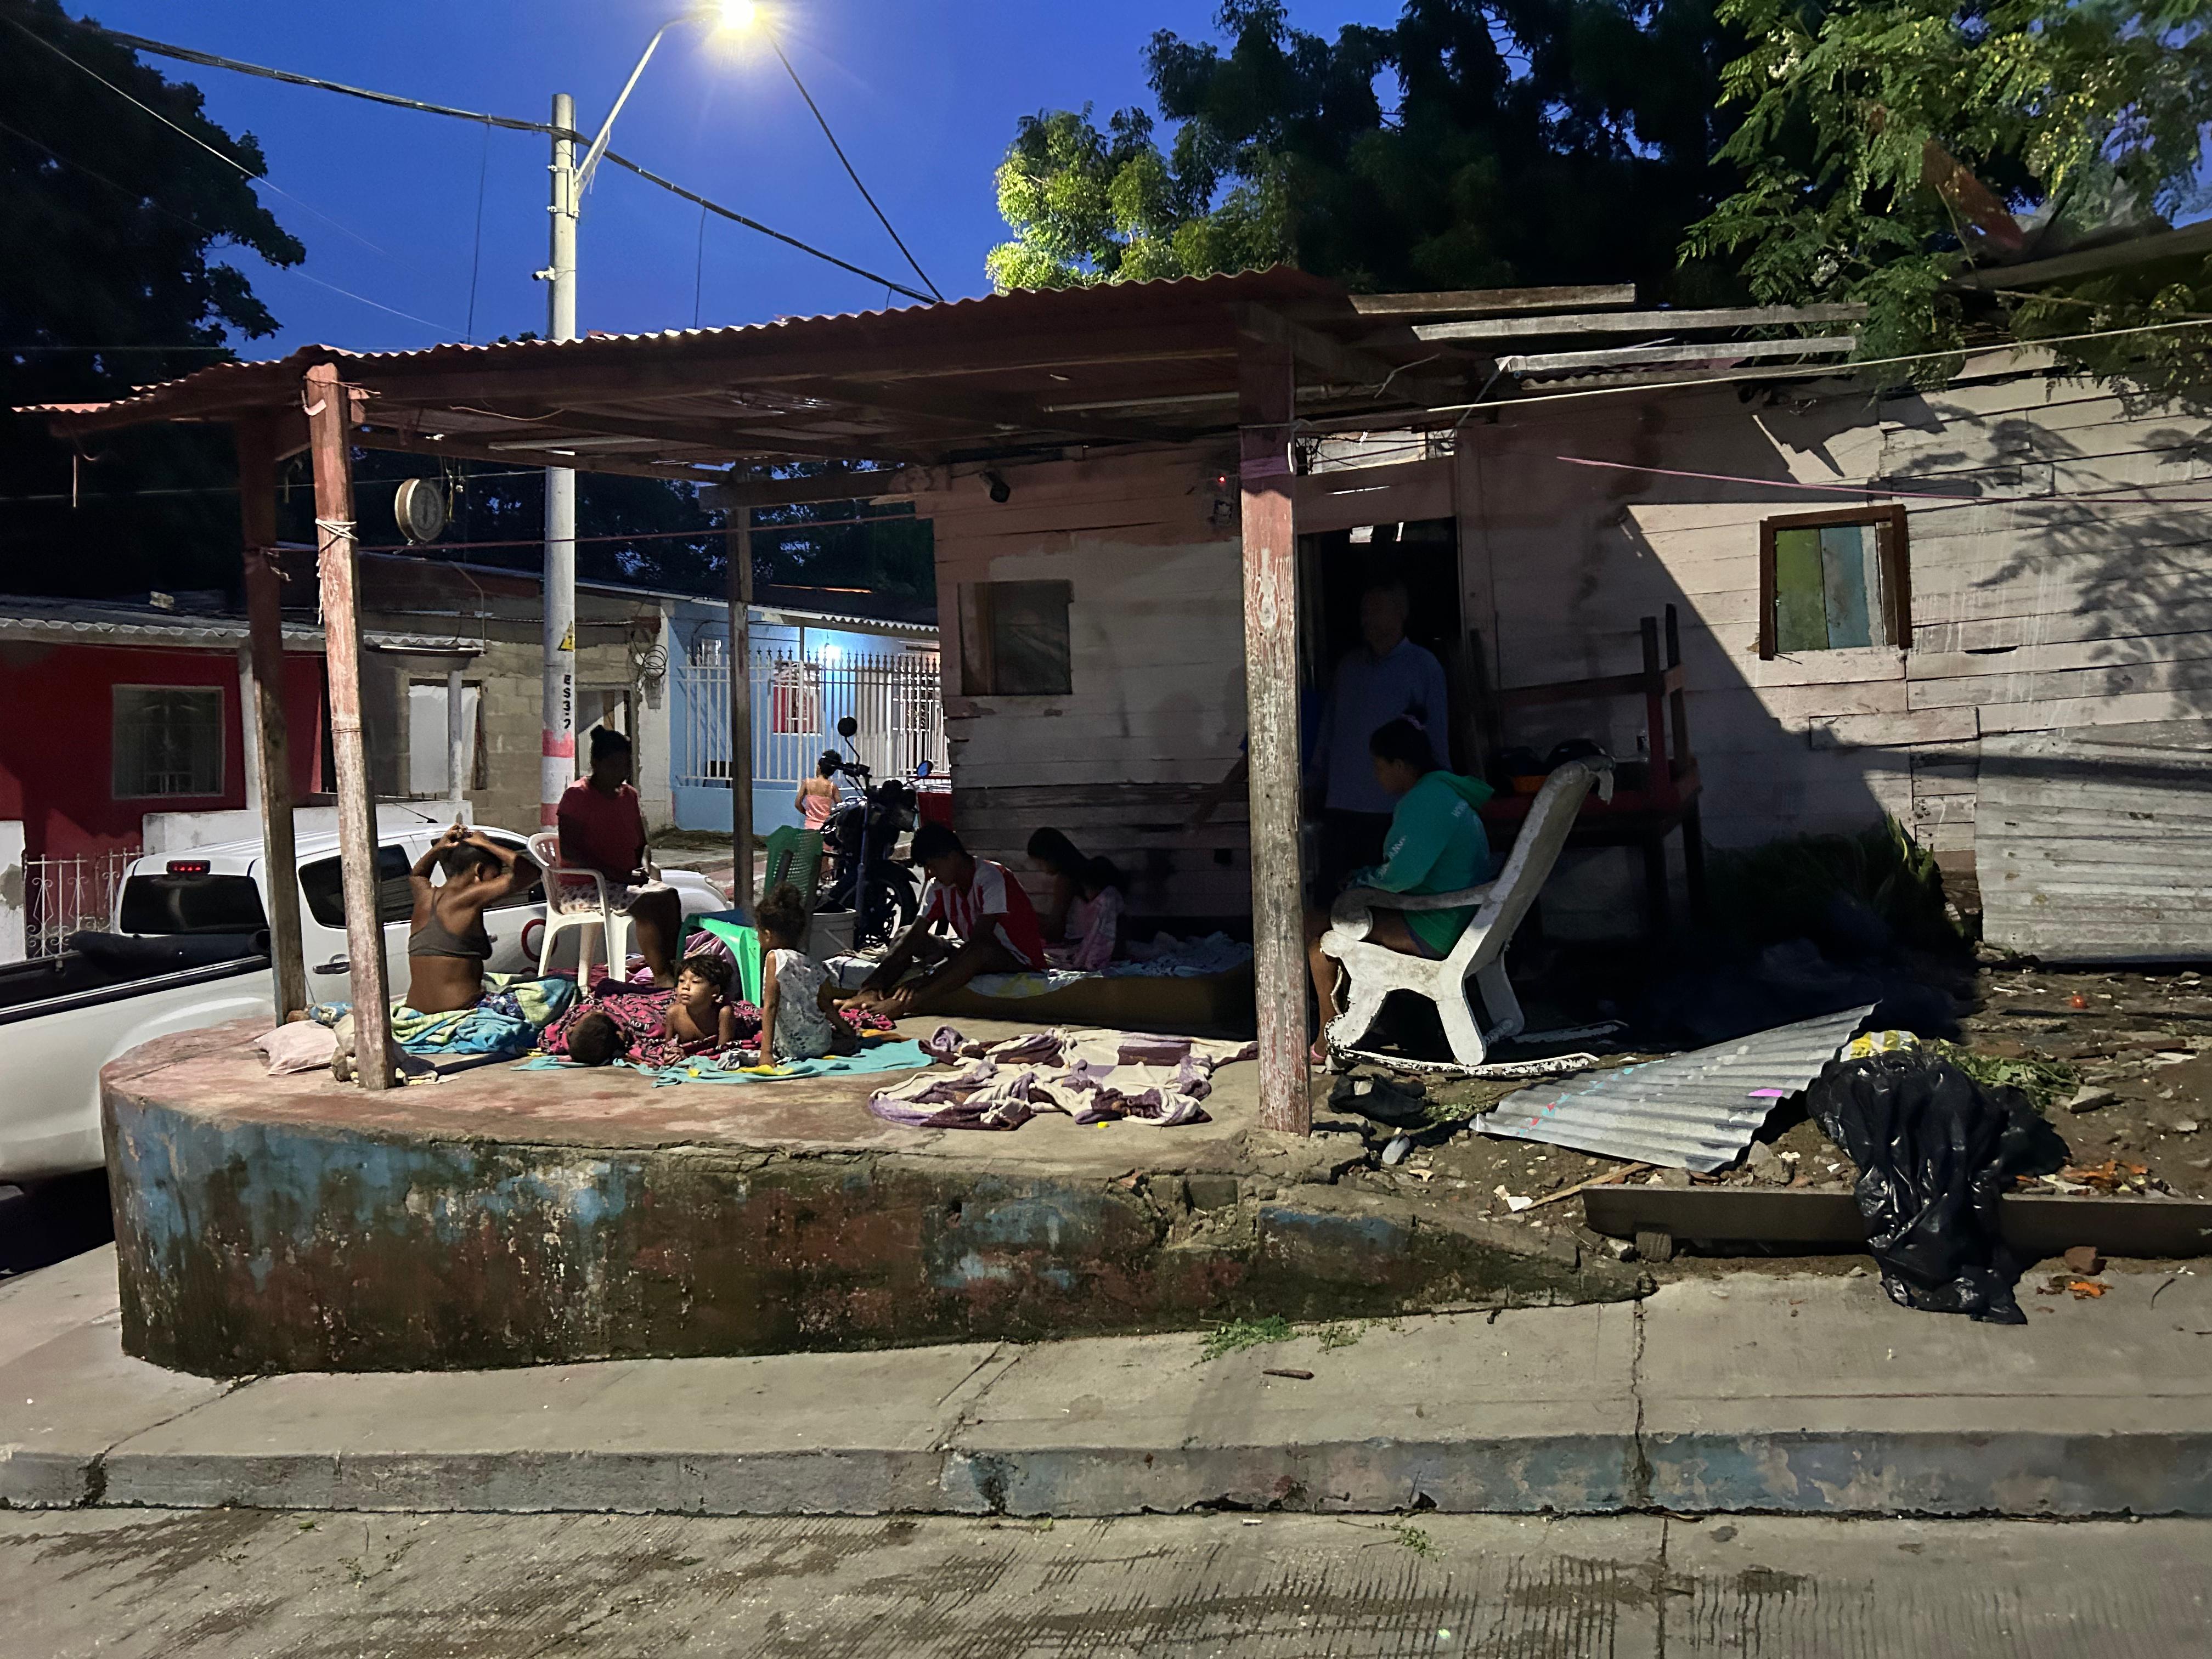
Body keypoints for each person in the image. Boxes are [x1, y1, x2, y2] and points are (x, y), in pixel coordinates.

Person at [1304, 717, 1497, 1063]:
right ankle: (1355, 1022)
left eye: (1379, 767)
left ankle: (1326, 1038)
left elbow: (1400, 876)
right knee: (1325, 920)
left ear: (1400, 765)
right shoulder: (1449, 792)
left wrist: (1360, 880)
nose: (1377, 777)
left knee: (1320, 941)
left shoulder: (1424, 801)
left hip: (1439, 928)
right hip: (1469, 919)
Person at [1309, 574, 1453, 894]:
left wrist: (1441, 792)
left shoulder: (1423, 666)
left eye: (1375, 611)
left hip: (1392, 806)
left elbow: (1437, 736)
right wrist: (1316, 780)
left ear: (1400, 614)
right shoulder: (1349, 667)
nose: (1366, 620)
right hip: (1343, 803)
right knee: (1334, 892)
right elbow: (1329, 729)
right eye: (1363, 612)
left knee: (1385, 895)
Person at [850, 822, 1046, 1019]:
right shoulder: (941, 887)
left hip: (1016, 958)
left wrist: (926, 980)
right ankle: (872, 993)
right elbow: (914, 935)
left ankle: (909, 1002)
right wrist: (872, 986)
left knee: (977, 951)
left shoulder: (993, 877)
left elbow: (981, 942)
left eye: (932, 866)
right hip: (969, 949)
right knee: (905, 934)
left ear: (952, 857)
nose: (929, 874)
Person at [557, 726, 683, 985]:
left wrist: (644, 867)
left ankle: (671, 966)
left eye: (625, 765)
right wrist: (615, 874)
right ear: (596, 763)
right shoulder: (576, 797)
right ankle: (662, 979)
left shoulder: (629, 796)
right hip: (585, 888)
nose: (621, 772)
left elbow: (643, 845)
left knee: (669, 897)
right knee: (647, 905)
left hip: (623, 882)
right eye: (614, 765)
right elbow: (571, 851)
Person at [405, 825, 541, 1014]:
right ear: (479, 870)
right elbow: (529, 873)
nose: (498, 880)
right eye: (496, 874)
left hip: (417, 1009)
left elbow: (417, 875)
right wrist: (484, 844)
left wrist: (439, 849)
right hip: (461, 1008)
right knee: (562, 989)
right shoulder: (469, 896)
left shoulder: (426, 897)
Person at [754, 882, 854, 1065]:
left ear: (767, 935)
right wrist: (846, 1030)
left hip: (792, 1048)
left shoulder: (774, 958)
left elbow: (771, 1006)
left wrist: (766, 1052)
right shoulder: (811, 962)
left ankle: (773, 1048)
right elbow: (825, 1003)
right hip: (822, 1044)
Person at [1048, 856, 1126, 972]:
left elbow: (1100, 936)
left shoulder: (1107, 900)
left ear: (1095, 885)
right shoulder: (1109, 896)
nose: (1086, 893)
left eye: (1086, 889)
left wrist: (1087, 960)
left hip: (1112, 951)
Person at [666, 950, 741, 1051]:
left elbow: (723, 1050)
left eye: (695, 982)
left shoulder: (723, 1014)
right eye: (682, 981)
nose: (685, 987)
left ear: (715, 991)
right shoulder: (673, 1013)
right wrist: (672, 1053)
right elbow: (668, 1046)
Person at [1026, 827, 1090, 942]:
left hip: (1078, 943)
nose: (1040, 869)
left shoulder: (1066, 880)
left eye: (1040, 864)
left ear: (1050, 857)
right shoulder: (1080, 872)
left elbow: (1055, 931)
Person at [796, 752, 843, 834]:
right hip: (825, 829)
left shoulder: (807, 783)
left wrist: (809, 815)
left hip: (809, 827)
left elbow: (798, 804)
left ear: (819, 767)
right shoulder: (832, 787)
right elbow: (840, 808)